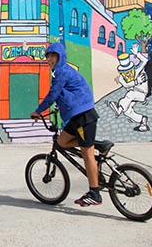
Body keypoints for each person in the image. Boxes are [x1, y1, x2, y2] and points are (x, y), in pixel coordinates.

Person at [29, 42, 101, 207]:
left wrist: (38, 111)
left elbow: (53, 94)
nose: (49, 60)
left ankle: (95, 193)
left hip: (83, 116)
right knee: (62, 142)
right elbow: (63, 95)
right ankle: (93, 143)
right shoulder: (60, 73)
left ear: (60, 57)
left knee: (87, 153)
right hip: (76, 117)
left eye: (53, 56)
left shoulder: (62, 71)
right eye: (47, 56)